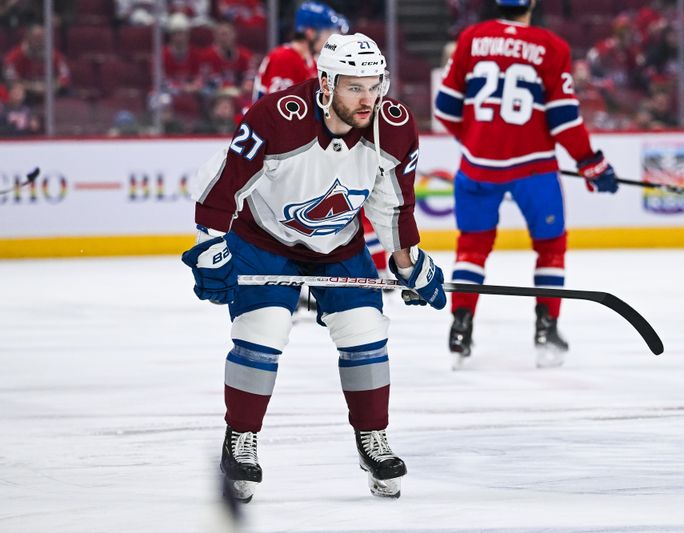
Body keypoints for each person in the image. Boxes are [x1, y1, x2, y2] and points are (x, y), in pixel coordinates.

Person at [181, 32, 446, 502]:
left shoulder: (395, 126)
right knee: (262, 331)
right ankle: (240, 440)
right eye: (353, 87)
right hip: (263, 237)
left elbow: (394, 206)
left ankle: (372, 439)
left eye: (374, 85)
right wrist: (210, 247)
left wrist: (409, 263)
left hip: (340, 244)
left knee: (366, 330)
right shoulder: (277, 118)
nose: (368, 100)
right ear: (325, 83)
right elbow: (221, 185)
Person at [433, 0, 619, 369]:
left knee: (471, 248)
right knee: (550, 247)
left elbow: (445, 108)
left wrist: (478, 141)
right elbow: (564, 119)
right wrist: (590, 163)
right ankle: (545, 331)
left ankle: (460, 329)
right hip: (533, 168)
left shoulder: (471, 37)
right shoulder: (551, 46)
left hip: (477, 167)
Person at [253, 2, 388, 284]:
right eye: (329, 32)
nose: (334, 40)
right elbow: (281, 119)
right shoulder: (285, 58)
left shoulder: (303, 61)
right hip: (278, 157)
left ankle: (365, 266)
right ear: (310, 31)